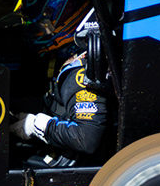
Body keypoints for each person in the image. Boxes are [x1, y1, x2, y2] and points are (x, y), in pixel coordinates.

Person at [16, 14, 110, 165]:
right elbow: (56, 105)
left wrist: (36, 125)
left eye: (43, 24)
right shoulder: (70, 61)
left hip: (82, 166)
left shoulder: (80, 73)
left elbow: (86, 138)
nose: (36, 31)